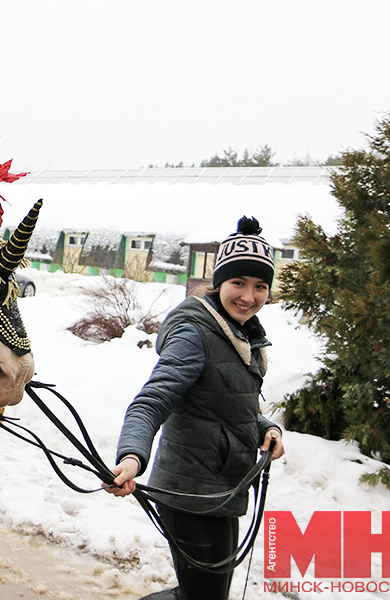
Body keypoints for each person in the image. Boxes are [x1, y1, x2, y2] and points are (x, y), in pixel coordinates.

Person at [105, 216, 286, 600]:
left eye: (260, 286)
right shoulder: (195, 333)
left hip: (221, 489)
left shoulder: (241, 333)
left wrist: (265, 428)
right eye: (238, 283)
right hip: (190, 494)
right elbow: (152, 399)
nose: (249, 296)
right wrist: (132, 457)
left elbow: (228, 403)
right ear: (219, 283)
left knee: (205, 592)